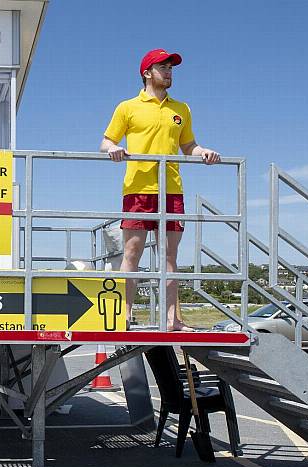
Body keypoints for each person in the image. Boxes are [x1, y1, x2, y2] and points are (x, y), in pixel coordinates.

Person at [100, 49, 220, 331]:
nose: (168, 72)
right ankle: (124, 317)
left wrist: (204, 152)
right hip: (138, 188)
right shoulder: (127, 107)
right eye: (162, 67)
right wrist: (114, 149)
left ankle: (173, 320)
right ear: (147, 73)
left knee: (169, 257)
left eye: (171, 68)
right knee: (132, 253)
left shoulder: (182, 109)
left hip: (172, 190)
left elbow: (189, 146)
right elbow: (106, 141)